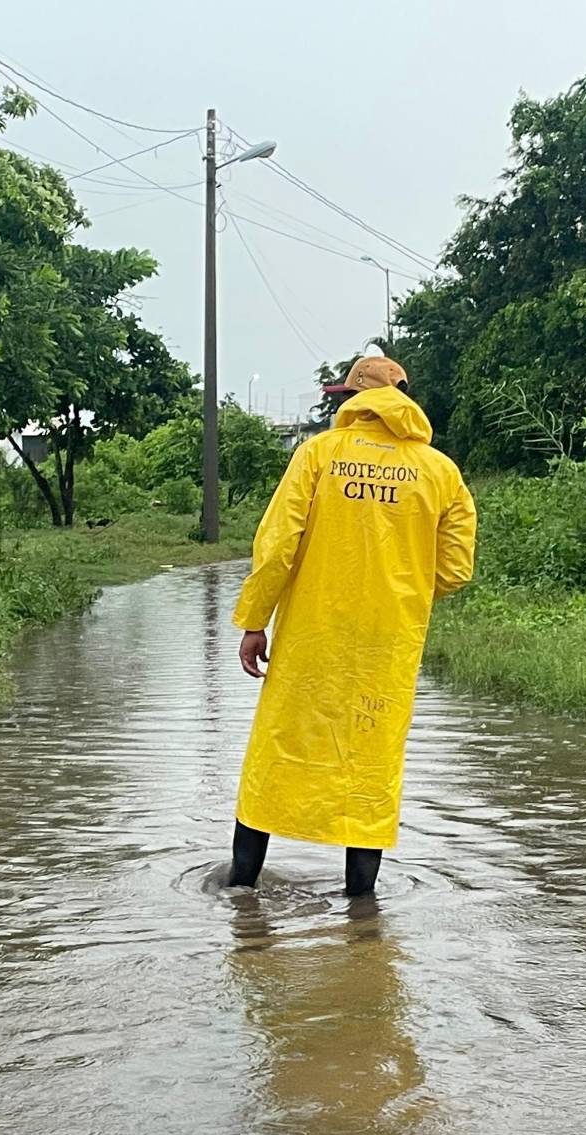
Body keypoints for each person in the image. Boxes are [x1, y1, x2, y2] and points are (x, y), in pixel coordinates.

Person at [226, 355, 476, 895]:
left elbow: (277, 547)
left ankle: (240, 894)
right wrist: (399, 585)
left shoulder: (318, 454)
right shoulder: (441, 472)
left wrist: (253, 620)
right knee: (370, 762)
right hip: (387, 645)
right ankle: (361, 914)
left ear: (351, 401)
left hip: (309, 639)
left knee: (276, 754)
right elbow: (455, 570)